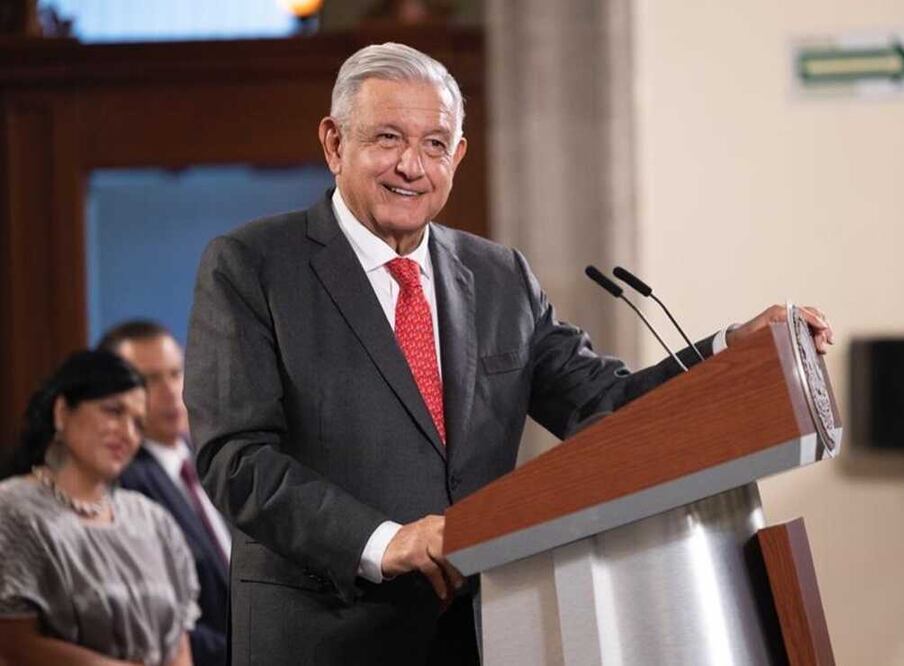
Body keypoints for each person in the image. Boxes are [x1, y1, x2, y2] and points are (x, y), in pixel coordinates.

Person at [184, 42, 834, 666]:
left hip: (483, 631)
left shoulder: (498, 276)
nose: (412, 165)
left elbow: (605, 407)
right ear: (333, 142)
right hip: (323, 637)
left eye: (434, 145)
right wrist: (387, 542)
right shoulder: (252, 267)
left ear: (457, 155)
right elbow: (235, 458)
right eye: (387, 138)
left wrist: (730, 356)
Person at [0, 350, 200, 666]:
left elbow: (180, 646)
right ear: (63, 411)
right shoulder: (11, 510)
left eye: (138, 423)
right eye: (113, 411)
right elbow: (14, 646)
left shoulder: (153, 520)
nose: (127, 433)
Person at [99, 321, 229, 666]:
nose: (171, 392)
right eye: (148, 380)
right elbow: (156, 618)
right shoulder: (120, 484)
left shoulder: (218, 457)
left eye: (175, 373)